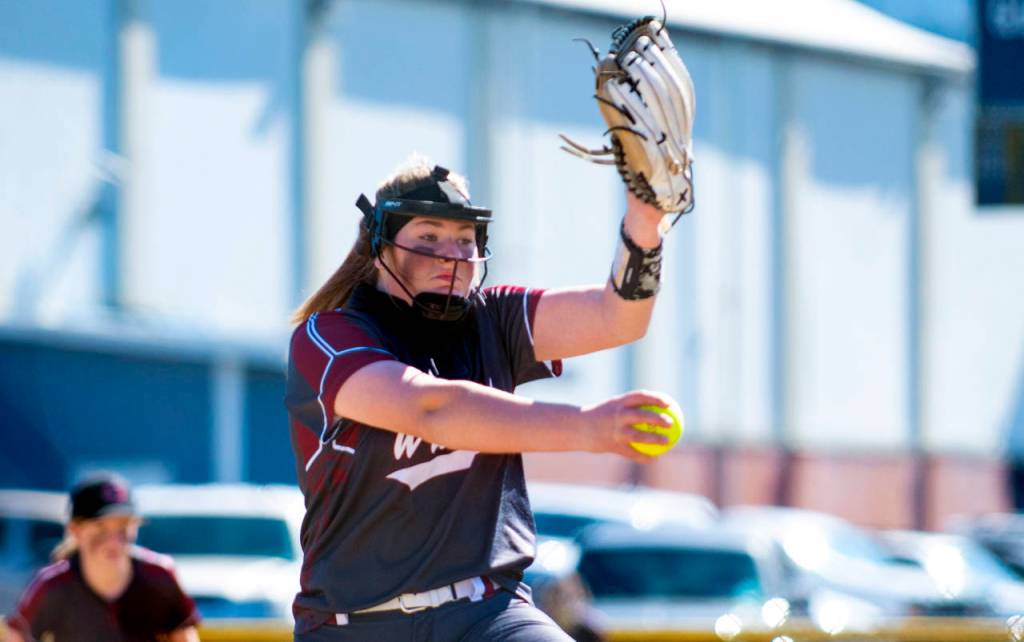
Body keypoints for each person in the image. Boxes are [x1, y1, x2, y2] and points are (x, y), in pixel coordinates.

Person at [285, 155, 677, 641]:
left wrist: (643, 226)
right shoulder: (329, 334)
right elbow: (430, 408)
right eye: (428, 236)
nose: (450, 254)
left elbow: (618, 317)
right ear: (379, 244)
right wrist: (587, 427)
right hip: (355, 624)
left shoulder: (494, 319)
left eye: (465, 240)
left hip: (487, 614)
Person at [5, 473, 200, 642]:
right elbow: (17, 636)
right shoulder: (53, 585)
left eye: (123, 526)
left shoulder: (158, 576)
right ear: (75, 530)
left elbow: (183, 635)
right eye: (101, 527)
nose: (114, 540)